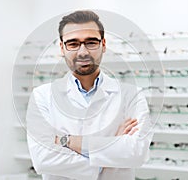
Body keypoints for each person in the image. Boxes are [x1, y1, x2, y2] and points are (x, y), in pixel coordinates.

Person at [26, 10, 153, 180]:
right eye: (73, 43)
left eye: (91, 42)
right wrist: (110, 152)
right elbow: (43, 159)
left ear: (104, 44)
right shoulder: (41, 96)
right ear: (62, 48)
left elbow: (137, 152)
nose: (83, 52)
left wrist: (67, 141)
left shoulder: (132, 95)